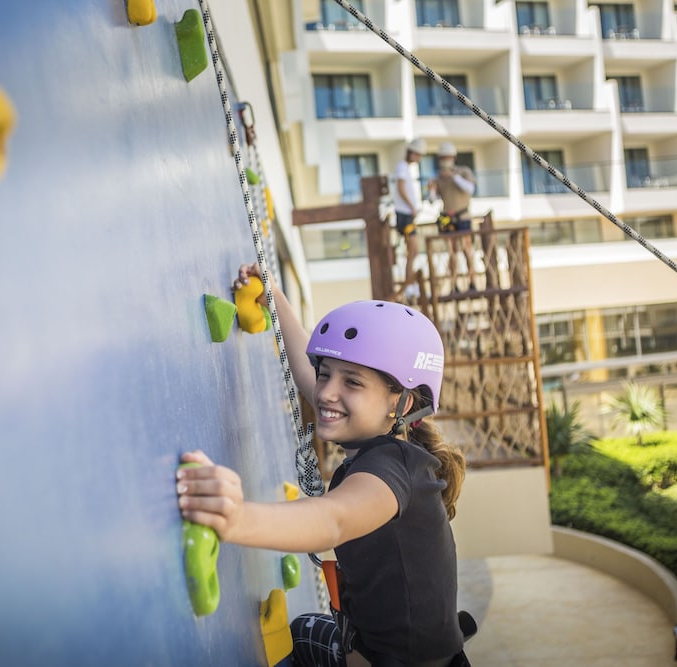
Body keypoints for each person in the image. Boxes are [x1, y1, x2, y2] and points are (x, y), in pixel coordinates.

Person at [177, 264, 469, 667]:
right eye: (325, 374)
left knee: (300, 640)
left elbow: (333, 520)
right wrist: (274, 299)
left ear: (400, 403)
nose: (327, 392)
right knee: (300, 633)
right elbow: (306, 373)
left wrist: (236, 520)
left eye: (352, 382)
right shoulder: (388, 446)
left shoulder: (393, 472)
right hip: (372, 646)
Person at [427, 142, 477, 292]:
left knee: (467, 251)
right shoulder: (438, 177)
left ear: (453, 157)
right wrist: (431, 190)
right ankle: (454, 284)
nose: (445, 160)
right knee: (451, 253)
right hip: (447, 218)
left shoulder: (463, 172)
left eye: (447, 157)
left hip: (463, 216)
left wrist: (453, 177)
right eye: (442, 157)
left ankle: (472, 282)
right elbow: (431, 200)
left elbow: (470, 189)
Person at [393, 138, 425, 302]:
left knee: (412, 252)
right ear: (412, 153)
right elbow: (400, 187)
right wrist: (412, 206)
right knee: (413, 251)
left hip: (406, 215)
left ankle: (410, 285)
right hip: (405, 216)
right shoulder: (402, 167)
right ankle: (410, 286)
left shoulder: (405, 168)